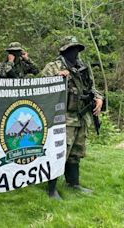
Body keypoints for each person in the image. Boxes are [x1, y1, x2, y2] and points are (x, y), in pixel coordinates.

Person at [41, 36, 103, 200]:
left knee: (76, 151)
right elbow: (39, 87)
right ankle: (51, 189)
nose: (74, 52)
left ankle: (73, 183)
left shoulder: (82, 67)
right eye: (71, 49)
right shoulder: (53, 66)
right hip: (62, 117)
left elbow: (91, 87)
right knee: (59, 152)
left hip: (81, 115)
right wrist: (56, 78)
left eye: (76, 49)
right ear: (63, 50)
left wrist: (98, 97)